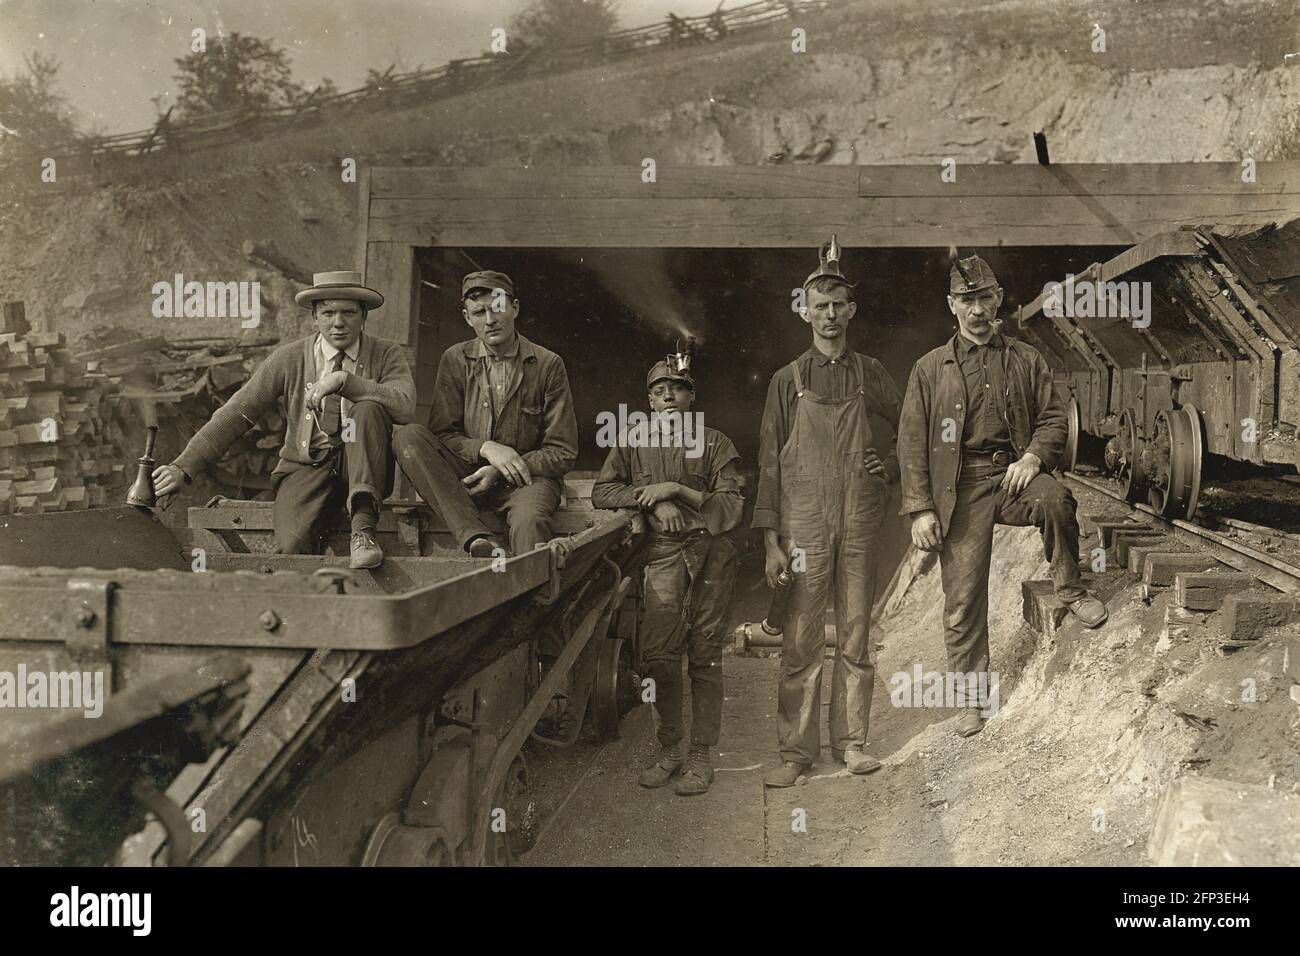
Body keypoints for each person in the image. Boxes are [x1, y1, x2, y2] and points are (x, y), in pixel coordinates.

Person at [897, 253, 1108, 739]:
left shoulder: (1026, 359)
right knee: (963, 597)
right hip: (959, 488)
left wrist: (1033, 458)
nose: (977, 310)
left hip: (1012, 476)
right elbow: (910, 443)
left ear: (999, 300)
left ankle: (1071, 591)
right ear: (952, 306)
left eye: (985, 298)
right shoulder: (930, 370)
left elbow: (1055, 419)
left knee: (1055, 499)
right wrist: (921, 509)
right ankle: (972, 698)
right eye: (967, 301)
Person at [753, 237, 903, 788]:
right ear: (805, 312)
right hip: (804, 526)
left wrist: (887, 465)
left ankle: (853, 743)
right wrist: (770, 541)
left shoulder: (870, 372)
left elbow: (913, 425)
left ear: (852, 310)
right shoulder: (787, 381)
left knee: (858, 629)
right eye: (821, 306)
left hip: (859, 518)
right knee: (801, 636)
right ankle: (796, 752)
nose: (831, 315)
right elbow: (769, 464)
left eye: (839, 305)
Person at [154, 271, 415, 569]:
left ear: (364, 315)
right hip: (306, 466)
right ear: (314, 317)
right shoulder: (289, 359)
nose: (338, 322)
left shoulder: (386, 353)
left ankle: (363, 532)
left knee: (368, 408)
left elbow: (405, 406)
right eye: (328, 313)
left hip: (362, 464)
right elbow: (237, 413)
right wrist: (183, 468)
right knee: (291, 549)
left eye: (349, 313)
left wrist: (346, 381)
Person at [591, 359, 743, 796]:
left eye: (678, 389)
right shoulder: (633, 440)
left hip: (710, 554)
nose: (670, 397)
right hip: (660, 556)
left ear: (691, 397)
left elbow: (730, 508)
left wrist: (675, 489)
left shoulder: (715, 442)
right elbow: (603, 491)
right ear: (650, 401)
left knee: (705, 655)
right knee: (658, 656)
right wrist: (652, 501)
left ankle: (700, 754)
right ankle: (671, 747)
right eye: (660, 391)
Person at [392, 270, 577, 557]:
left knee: (530, 521)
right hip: (468, 475)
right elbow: (443, 434)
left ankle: (532, 600)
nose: (490, 320)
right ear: (467, 318)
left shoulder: (547, 364)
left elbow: (562, 451)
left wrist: (501, 469)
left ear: (514, 308)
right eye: (479, 312)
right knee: (409, 436)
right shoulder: (456, 359)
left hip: (527, 479)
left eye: (498, 308)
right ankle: (476, 537)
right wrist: (487, 448)